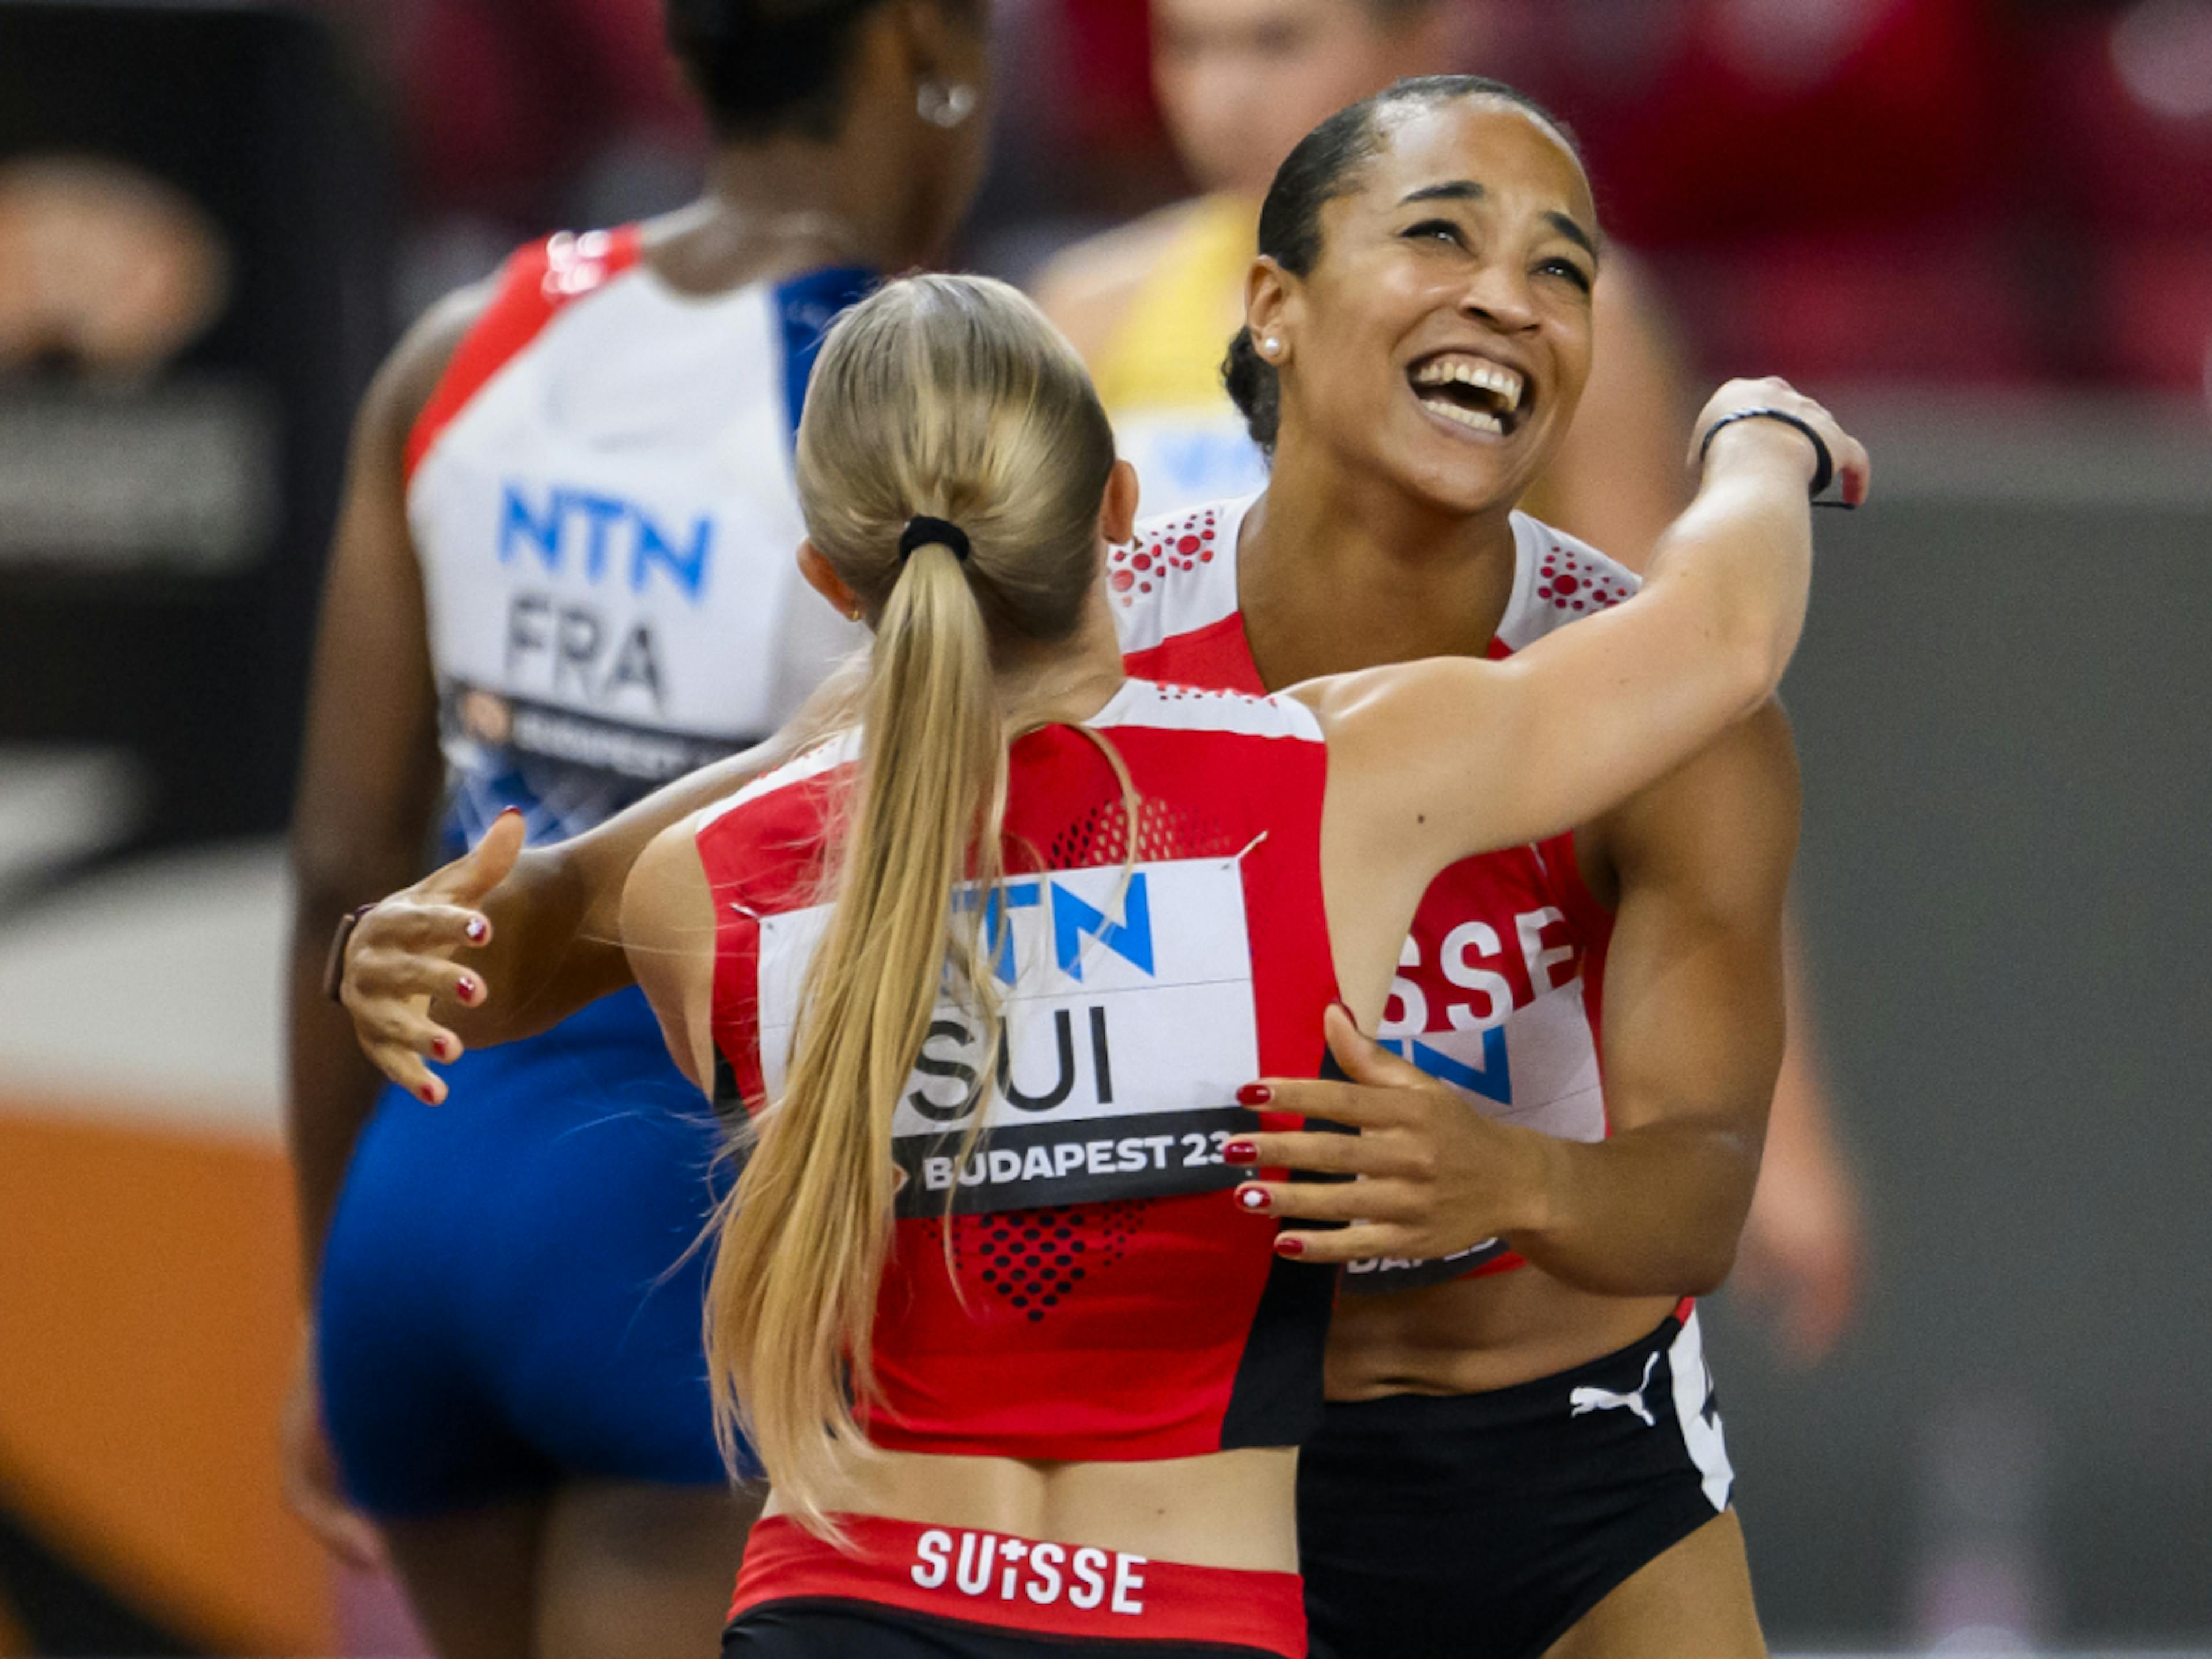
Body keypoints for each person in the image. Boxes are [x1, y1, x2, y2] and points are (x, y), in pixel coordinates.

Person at [335, 78, 1862, 1659]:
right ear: (1271, 304)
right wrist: (415, 942)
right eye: (1440, 236)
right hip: (1222, 1494)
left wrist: (1516, 1177)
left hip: (1556, 1447)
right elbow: (590, 896)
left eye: (1565, 268)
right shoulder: (1078, 642)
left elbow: (1697, 1201)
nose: (1509, 294)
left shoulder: (1655, 718)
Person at [282, 3, 991, 1656]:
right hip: (687, 1229)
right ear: (928, 50)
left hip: (420, 1198)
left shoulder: (468, 337)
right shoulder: (925, 395)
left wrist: (330, 1299)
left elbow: (338, 859)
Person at [1034, 0, 1862, 1361]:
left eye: (1278, 42)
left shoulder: (1537, 325)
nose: (1226, 93)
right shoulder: (1086, 310)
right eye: (1191, 46)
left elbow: (1679, 702)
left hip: (1481, 962)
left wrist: (1781, 1135)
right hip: (1183, 960)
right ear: (1273, 321)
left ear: (1415, 42)